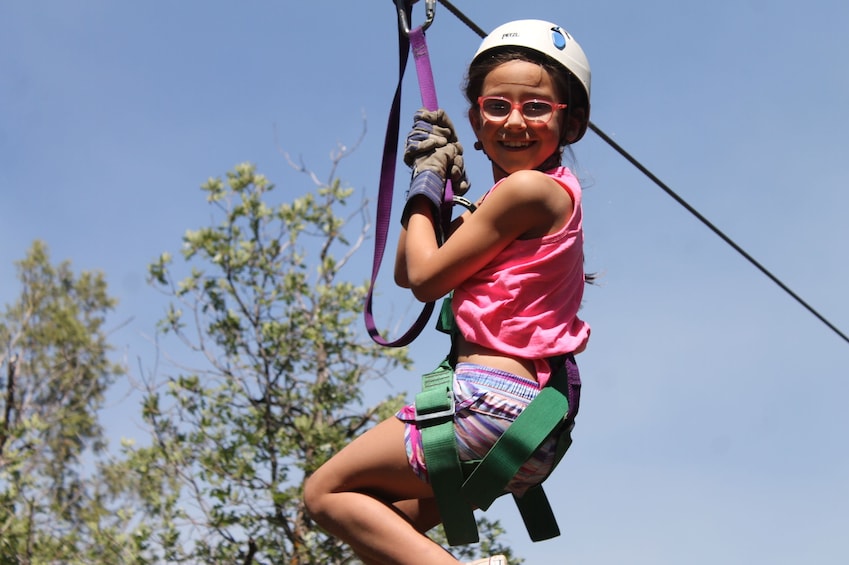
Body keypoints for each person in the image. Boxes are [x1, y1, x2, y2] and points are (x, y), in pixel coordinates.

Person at [303, 19, 592, 565]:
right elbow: (409, 270)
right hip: (529, 427)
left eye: (536, 108)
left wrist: (425, 182)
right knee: (381, 532)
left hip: (490, 405)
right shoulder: (506, 205)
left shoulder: (530, 191)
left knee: (325, 494)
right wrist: (432, 191)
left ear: (571, 123)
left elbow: (428, 280)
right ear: (476, 120)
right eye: (497, 106)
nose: (514, 121)